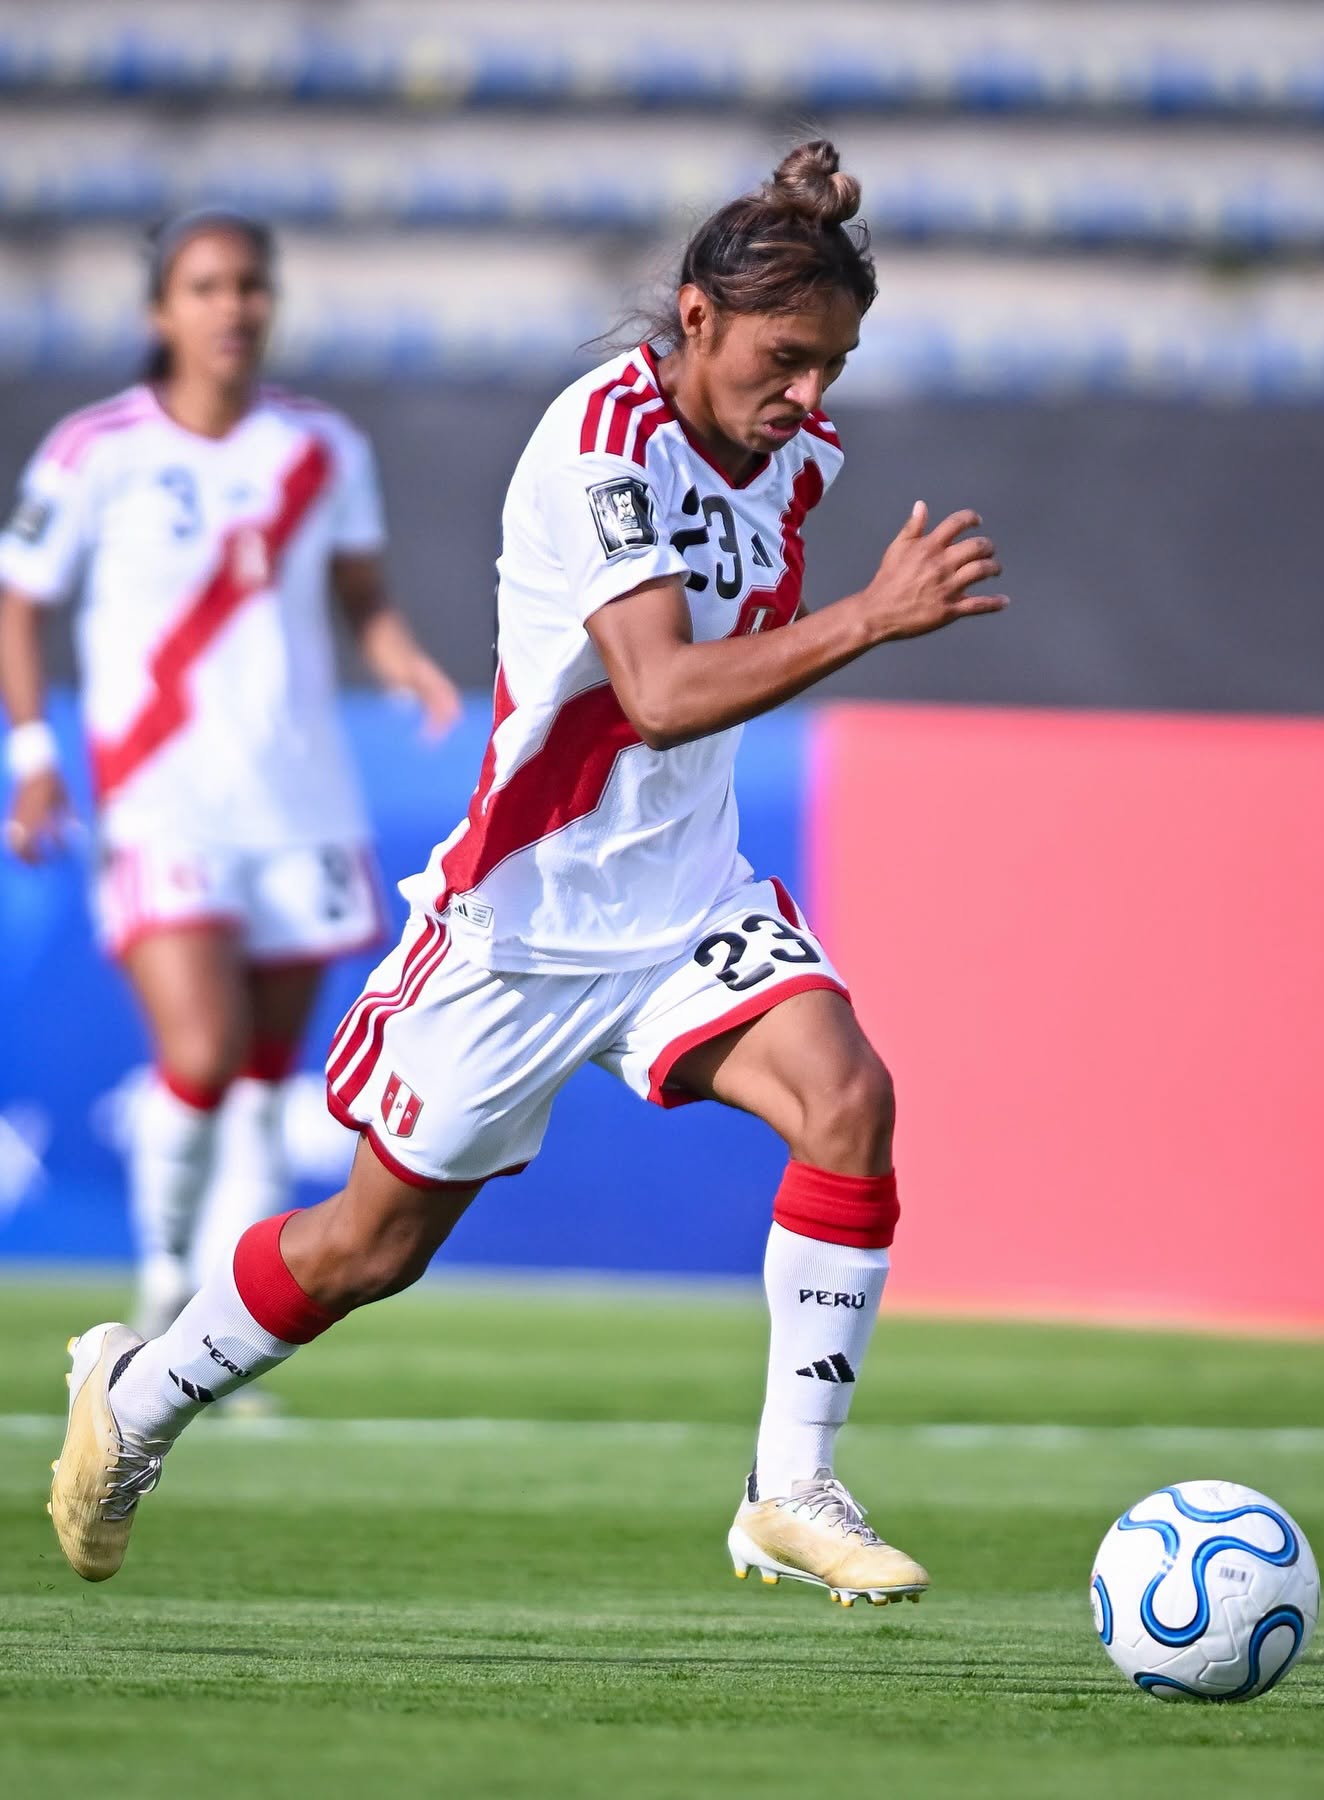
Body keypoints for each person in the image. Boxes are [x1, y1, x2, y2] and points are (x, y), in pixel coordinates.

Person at [47, 144, 1008, 1601]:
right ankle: (140, 1394)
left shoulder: (797, 459)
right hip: (527, 916)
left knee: (850, 1102)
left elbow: (708, 689)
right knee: (366, 1251)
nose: (814, 396)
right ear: (695, 317)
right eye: (789, 355)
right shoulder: (597, 447)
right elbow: (664, 689)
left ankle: (790, 1486)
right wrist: (870, 619)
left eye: (836, 363)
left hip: (686, 900)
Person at [0, 209, 460, 1350]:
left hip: (299, 801)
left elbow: (360, 596)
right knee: (198, 1053)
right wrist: (35, 755)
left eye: (250, 286)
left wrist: (403, 660)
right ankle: (160, 1276)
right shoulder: (94, 450)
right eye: (206, 287)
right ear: (163, 310)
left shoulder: (320, 449)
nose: (233, 307)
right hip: (160, 797)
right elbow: (19, 599)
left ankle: (216, 1310)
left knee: (260, 1073)